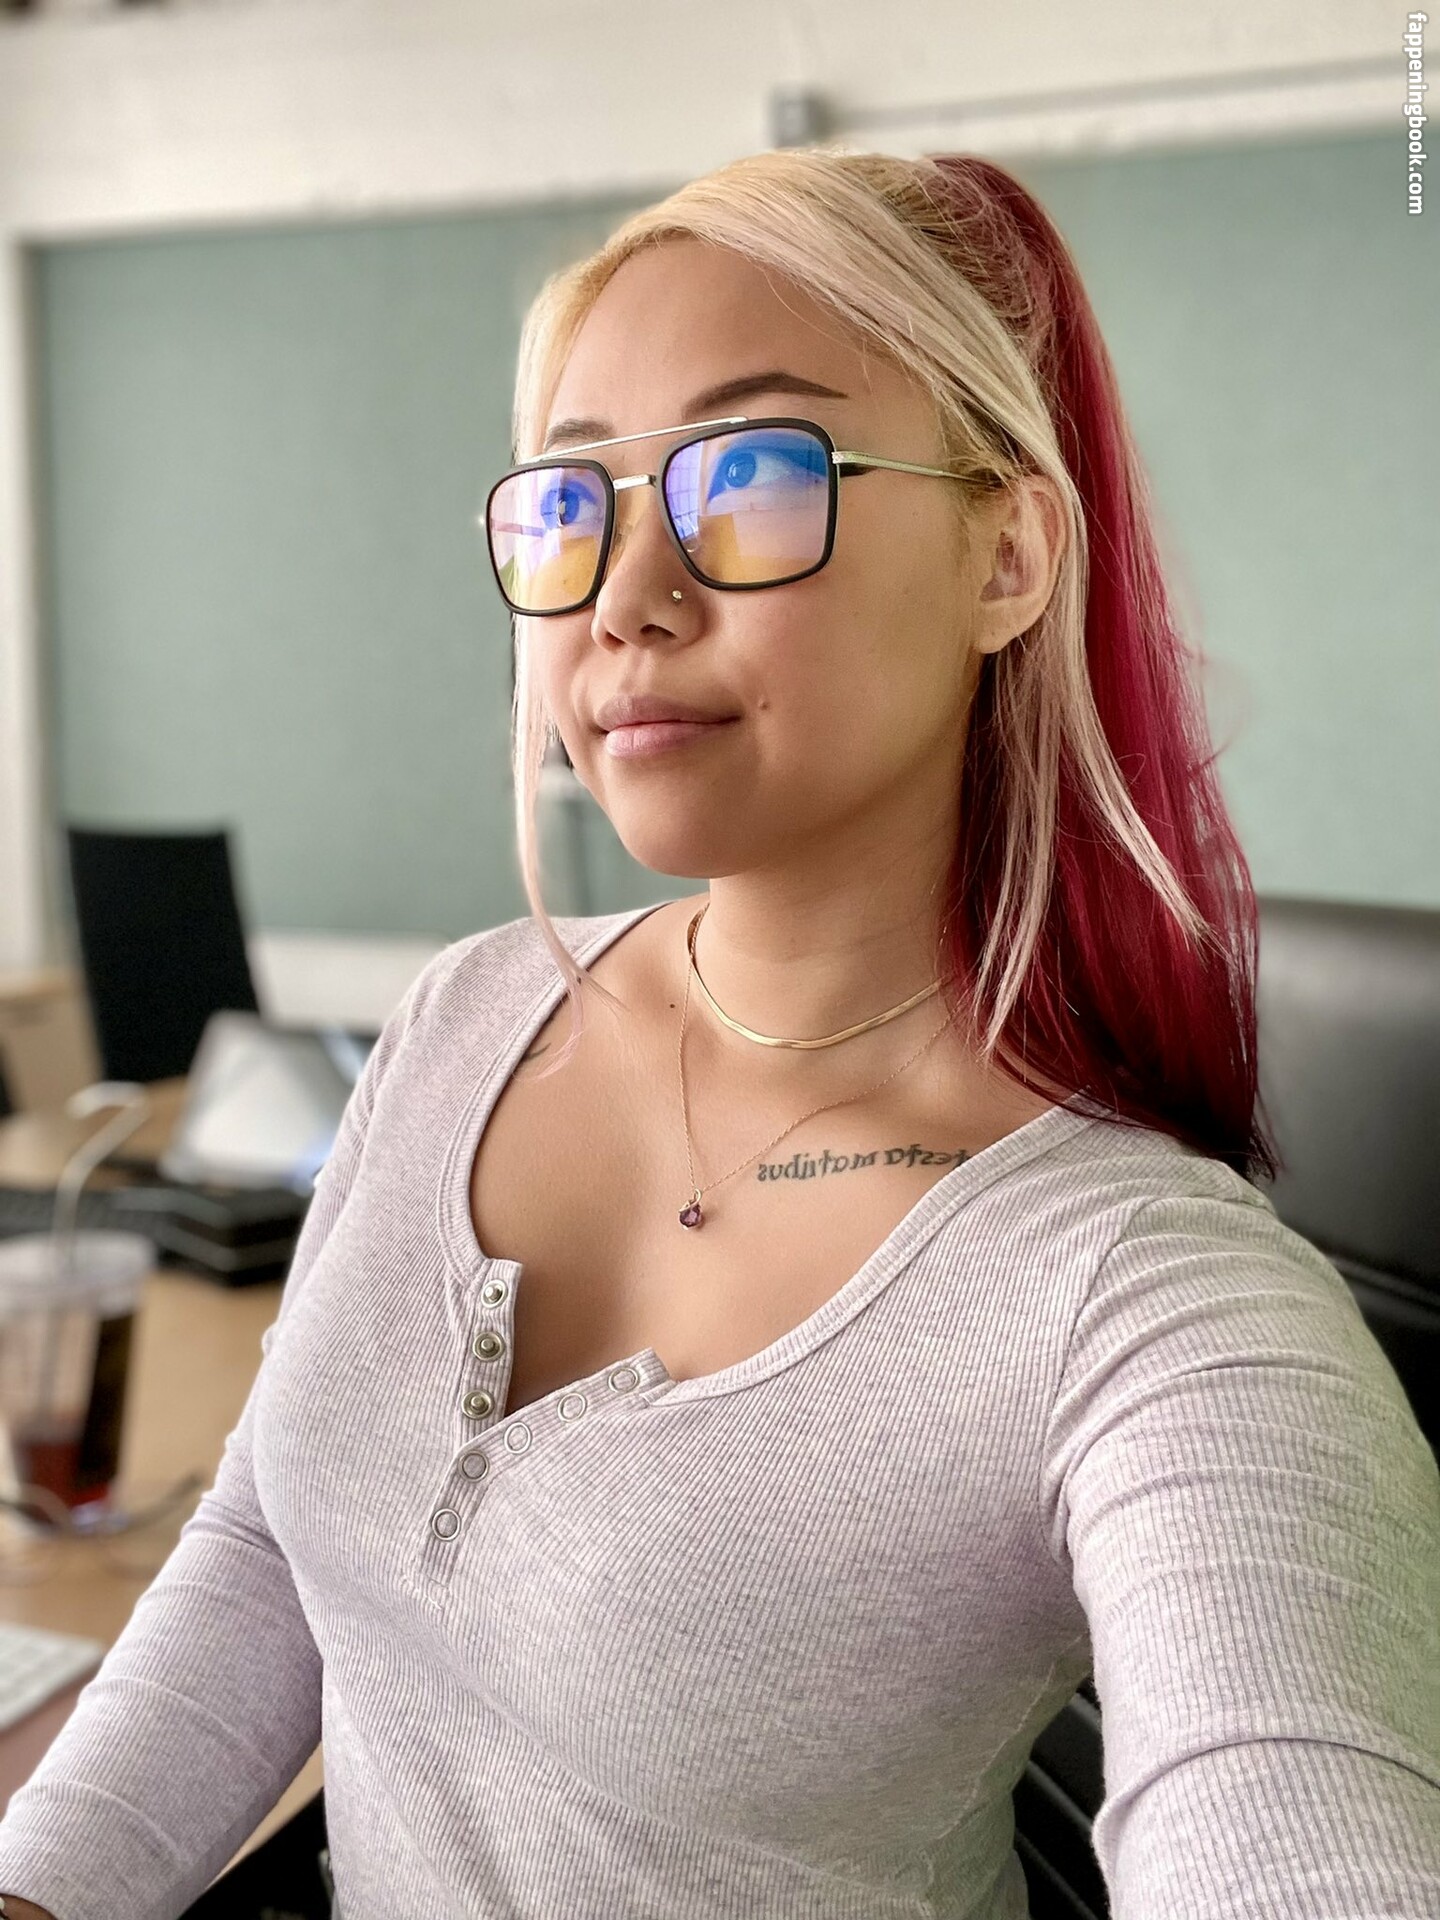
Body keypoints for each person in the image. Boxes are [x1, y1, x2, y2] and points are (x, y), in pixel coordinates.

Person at [0, 145, 1437, 1919]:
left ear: (1007, 556)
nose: (625, 596)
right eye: (572, 502)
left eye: (750, 477)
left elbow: (1288, 1818)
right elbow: (265, 1564)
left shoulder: (1152, 1305)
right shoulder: (466, 1013)